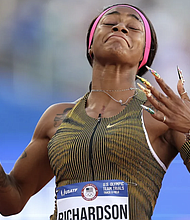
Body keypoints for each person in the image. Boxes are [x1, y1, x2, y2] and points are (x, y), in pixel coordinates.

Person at [0, 3, 190, 220]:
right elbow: (11, 201)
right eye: (109, 23)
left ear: (144, 55)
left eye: (133, 28)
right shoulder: (56, 118)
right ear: (90, 45)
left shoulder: (163, 114)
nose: (120, 28)